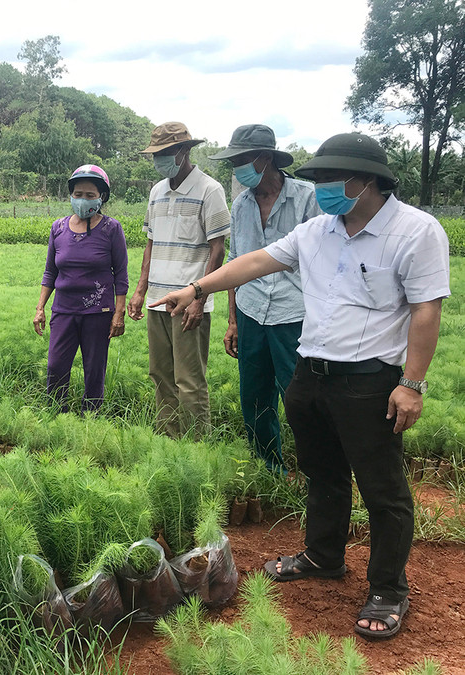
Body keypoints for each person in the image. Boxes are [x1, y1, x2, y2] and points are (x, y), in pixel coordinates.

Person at [157, 132, 450, 640]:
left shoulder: (416, 231)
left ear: (367, 180)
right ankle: (323, 555)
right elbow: (255, 261)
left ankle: (388, 587)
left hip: (370, 380)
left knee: (383, 490)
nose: (322, 187)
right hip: (311, 372)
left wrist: (412, 383)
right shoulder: (318, 229)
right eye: (317, 178)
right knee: (322, 472)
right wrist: (198, 288)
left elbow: (426, 310)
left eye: (331, 178)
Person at [208, 124, 320, 472]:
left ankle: (315, 471)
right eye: (233, 161)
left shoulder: (307, 198)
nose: (236, 168)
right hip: (251, 311)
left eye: (242, 160)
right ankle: (269, 466)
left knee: (300, 398)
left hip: (294, 314)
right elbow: (236, 264)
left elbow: (325, 264)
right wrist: (232, 321)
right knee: (254, 397)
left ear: (265, 159)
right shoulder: (240, 204)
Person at [128, 122, 229, 438]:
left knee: (189, 379)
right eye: (155, 154)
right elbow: (150, 243)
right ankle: (171, 442)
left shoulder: (210, 190)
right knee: (160, 374)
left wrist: (199, 299)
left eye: (165, 153)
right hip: (157, 299)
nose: (158, 160)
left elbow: (218, 248)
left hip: (187, 302)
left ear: (184, 152)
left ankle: (197, 446)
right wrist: (140, 290)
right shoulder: (157, 191)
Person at [33, 165, 128, 413]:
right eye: (77, 194)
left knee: (94, 370)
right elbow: (50, 272)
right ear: (70, 195)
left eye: (89, 195)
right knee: (55, 367)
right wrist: (40, 308)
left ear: (101, 197)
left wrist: (119, 313)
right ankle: (56, 416)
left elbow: (121, 274)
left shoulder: (111, 229)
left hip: (98, 312)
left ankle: (90, 419)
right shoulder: (59, 228)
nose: (82, 200)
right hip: (63, 311)